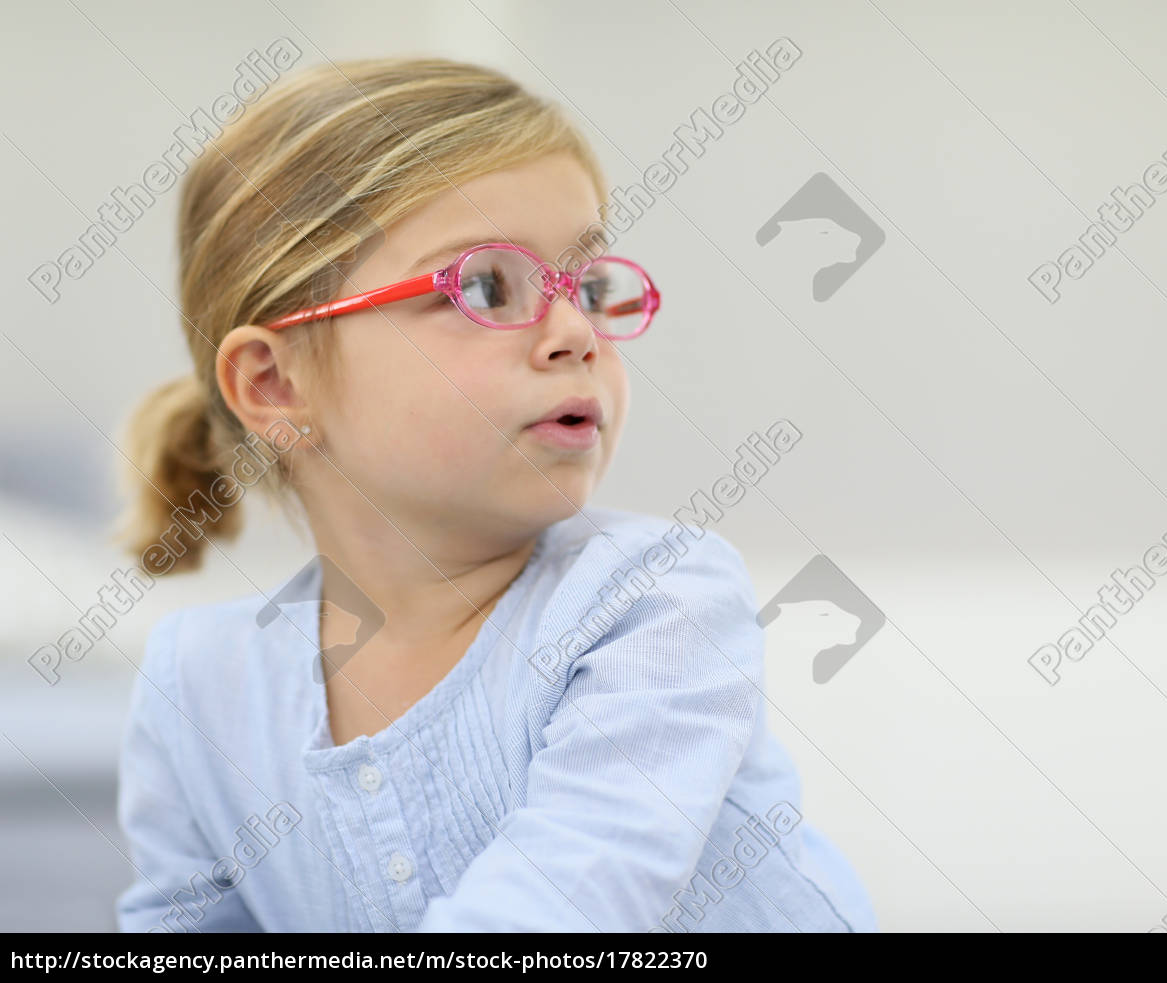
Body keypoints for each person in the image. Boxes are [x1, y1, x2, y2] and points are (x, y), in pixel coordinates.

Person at [113, 56, 877, 934]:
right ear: (277, 386)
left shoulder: (655, 602)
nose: (575, 332)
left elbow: (563, 904)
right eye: (484, 286)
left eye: (587, 285)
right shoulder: (197, 688)